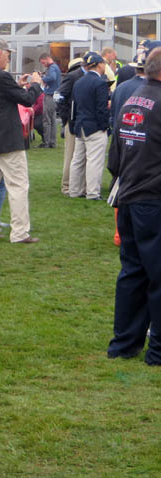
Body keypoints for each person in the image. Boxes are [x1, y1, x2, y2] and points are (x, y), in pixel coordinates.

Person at [106, 47, 161, 364]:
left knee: (132, 272)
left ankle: (124, 344)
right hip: (152, 199)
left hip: (128, 194)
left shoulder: (133, 95)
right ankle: (156, 351)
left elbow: (116, 153)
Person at [0, 37, 42, 243]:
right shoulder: (0, 76)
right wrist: (35, 85)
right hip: (7, 140)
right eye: (8, 55)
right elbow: (28, 100)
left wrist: (17, 86)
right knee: (18, 185)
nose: (8, 59)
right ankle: (20, 232)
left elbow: (2, 96)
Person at [69, 52, 110, 201]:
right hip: (94, 127)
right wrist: (104, 125)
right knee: (94, 161)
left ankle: (74, 190)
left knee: (78, 160)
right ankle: (92, 193)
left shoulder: (78, 82)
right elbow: (101, 109)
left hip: (80, 125)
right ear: (99, 64)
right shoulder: (100, 83)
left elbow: (74, 105)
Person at [55, 57, 86, 196]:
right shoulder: (72, 77)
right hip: (73, 122)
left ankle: (79, 185)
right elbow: (59, 97)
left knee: (79, 156)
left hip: (82, 121)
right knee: (71, 155)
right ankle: (67, 185)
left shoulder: (80, 76)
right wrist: (67, 117)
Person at [39, 53, 61, 148]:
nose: (43, 65)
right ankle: (52, 142)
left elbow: (52, 77)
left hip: (50, 94)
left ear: (47, 59)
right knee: (52, 119)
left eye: (43, 62)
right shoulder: (55, 67)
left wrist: (42, 78)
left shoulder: (52, 68)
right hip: (55, 94)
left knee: (47, 119)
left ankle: (47, 142)